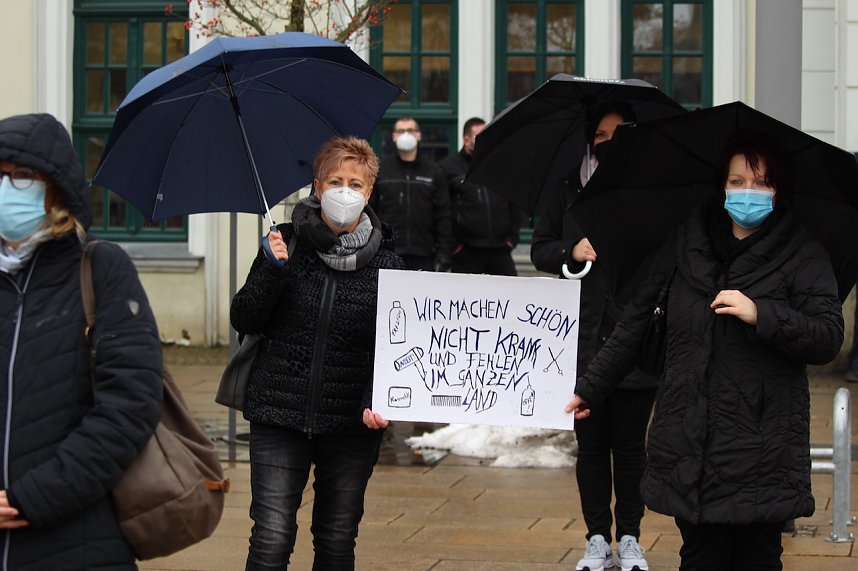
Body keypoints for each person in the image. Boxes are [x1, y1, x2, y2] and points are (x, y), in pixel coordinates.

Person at [566, 133, 844, 570]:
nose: (747, 191)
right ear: (722, 186)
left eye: (760, 182)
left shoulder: (802, 252)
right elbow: (635, 321)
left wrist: (762, 314)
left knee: (757, 558)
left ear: (778, 189)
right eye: (737, 181)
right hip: (690, 442)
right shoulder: (685, 244)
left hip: (763, 448)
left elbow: (828, 336)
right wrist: (592, 387)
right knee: (699, 556)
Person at [231, 136, 404, 569]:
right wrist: (272, 270)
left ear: (369, 193)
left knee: (336, 540)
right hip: (278, 412)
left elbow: (395, 349)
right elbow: (244, 318)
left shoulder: (390, 266)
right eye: (335, 181)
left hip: (350, 425)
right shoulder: (283, 243)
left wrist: (375, 397)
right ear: (317, 185)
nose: (344, 192)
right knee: (271, 537)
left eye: (356, 184)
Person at [0, 113, 163, 569]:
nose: (6, 187)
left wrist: (33, 497)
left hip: (77, 540)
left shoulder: (101, 269)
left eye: (22, 176)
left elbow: (130, 403)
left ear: (56, 187)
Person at [531, 101, 656, 571]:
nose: (611, 142)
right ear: (590, 140)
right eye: (602, 135)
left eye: (621, 132)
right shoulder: (565, 191)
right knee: (592, 446)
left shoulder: (649, 194)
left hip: (634, 339)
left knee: (630, 446)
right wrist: (573, 250)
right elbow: (541, 248)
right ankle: (596, 537)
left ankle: (630, 536)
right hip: (578, 339)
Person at [438, 117, 523, 275]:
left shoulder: (500, 165)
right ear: (466, 139)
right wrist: (455, 246)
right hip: (466, 251)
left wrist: (512, 238)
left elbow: (513, 202)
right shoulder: (448, 167)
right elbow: (444, 210)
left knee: (509, 294)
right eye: (481, 136)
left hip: (500, 249)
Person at [370, 116, 453, 271]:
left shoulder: (434, 172)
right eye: (401, 131)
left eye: (410, 130)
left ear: (418, 135)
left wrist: (444, 252)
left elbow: (443, 215)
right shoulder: (381, 171)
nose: (406, 134)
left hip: (425, 253)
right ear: (394, 136)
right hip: (387, 252)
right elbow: (370, 211)